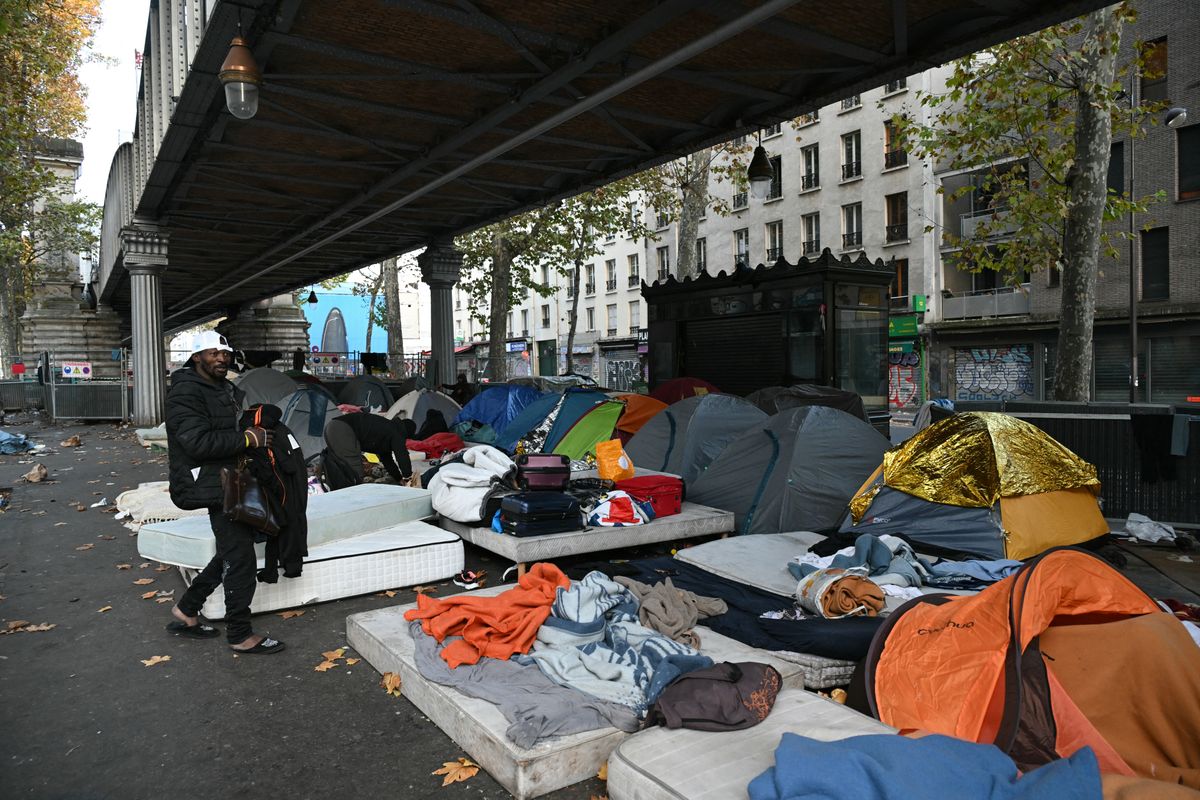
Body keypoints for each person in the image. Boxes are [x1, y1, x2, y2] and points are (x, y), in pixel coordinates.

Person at [164, 330, 285, 654]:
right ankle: (240, 634)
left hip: (228, 479)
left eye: (224, 352)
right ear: (196, 357)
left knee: (234, 550)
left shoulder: (222, 388)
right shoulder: (185, 392)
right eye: (213, 353)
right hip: (208, 482)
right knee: (241, 558)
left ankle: (187, 609)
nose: (221, 358)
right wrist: (248, 439)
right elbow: (197, 442)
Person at [322, 412, 416, 490]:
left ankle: (334, 489)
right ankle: (355, 498)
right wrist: (408, 478)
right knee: (355, 469)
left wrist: (399, 478)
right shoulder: (396, 432)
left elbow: (387, 460)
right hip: (343, 429)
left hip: (333, 426)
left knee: (339, 465)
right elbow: (402, 455)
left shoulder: (386, 431)